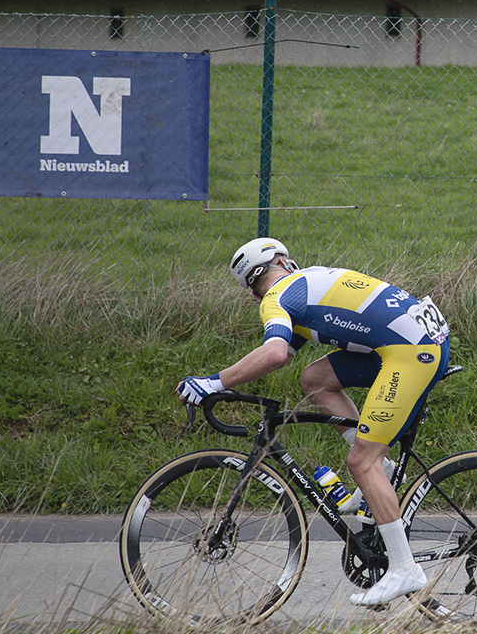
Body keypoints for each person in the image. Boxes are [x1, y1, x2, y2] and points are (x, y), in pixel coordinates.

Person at [175, 237, 450, 607]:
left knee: (361, 462)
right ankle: (381, 468)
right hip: (416, 340)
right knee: (315, 379)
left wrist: (213, 383)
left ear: (253, 294)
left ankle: (404, 568)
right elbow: (284, 352)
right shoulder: (307, 283)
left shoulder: (277, 297)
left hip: (412, 352)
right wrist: (224, 380)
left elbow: (273, 354)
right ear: (285, 262)